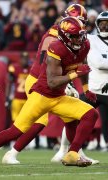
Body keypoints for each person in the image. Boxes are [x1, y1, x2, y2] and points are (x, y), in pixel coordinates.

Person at [0, 16, 98, 170]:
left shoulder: (84, 45)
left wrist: (86, 89)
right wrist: (75, 75)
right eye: (75, 36)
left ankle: (72, 153)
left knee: (91, 114)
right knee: (14, 131)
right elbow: (52, 82)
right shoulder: (56, 48)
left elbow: (83, 66)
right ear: (65, 37)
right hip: (42, 96)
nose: (79, 39)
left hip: (59, 97)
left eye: (81, 35)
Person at [1, 3, 96, 165]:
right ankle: (12, 153)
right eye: (77, 20)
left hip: (55, 81)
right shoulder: (55, 35)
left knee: (71, 118)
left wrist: (80, 85)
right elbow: (48, 63)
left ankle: (72, 153)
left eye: (82, 21)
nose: (80, 25)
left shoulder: (72, 36)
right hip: (40, 80)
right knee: (40, 121)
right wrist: (66, 80)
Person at [53, 11, 108, 158]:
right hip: (93, 89)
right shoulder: (91, 39)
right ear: (97, 25)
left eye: (107, 25)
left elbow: (102, 62)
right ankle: (63, 149)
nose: (105, 27)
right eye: (102, 24)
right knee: (72, 117)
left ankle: (74, 150)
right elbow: (98, 63)